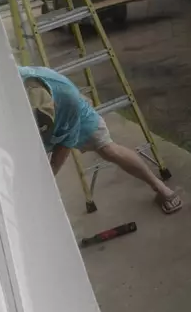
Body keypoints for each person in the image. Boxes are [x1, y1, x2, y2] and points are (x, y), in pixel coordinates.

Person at [19, 66, 182, 214]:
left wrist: (44, 182)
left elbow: (62, 149)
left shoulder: (68, 100)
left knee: (108, 149)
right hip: (28, 120)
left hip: (74, 115)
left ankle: (160, 188)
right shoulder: (13, 79)